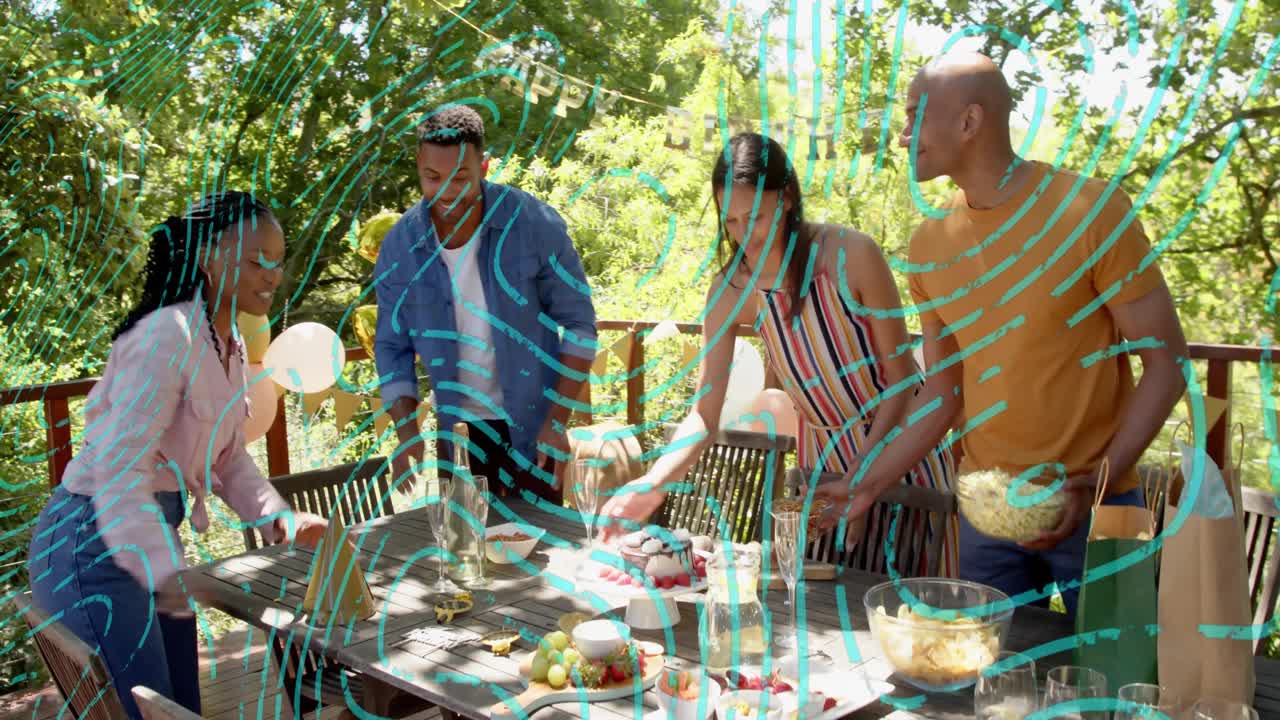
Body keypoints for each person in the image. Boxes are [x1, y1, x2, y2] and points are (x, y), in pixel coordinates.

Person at [815, 53, 1188, 616]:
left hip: (1099, 510)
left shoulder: (1090, 211)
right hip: (985, 517)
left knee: (1114, 688)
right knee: (985, 690)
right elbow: (941, 395)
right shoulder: (929, 247)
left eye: (916, 114)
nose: (902, 133)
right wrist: (869, 482)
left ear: (969, 122)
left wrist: (1097, 484)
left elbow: (1168, 365)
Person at [26, 192, 329, 719]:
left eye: (278, 262)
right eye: (257, 260)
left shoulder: (224, 338)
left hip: (149, 539)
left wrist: (279, 515)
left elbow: (227, 458)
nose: (273, 276)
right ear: (210, 256)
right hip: (96, 542)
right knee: (152, 712)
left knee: (179, 708)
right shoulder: (166, 336)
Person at [599, 132, 956, 576]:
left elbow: (902, 384)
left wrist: (862, 480)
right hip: (822, 471)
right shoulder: (730, 290)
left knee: (909, 610)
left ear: (786, 198)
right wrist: (654, 483)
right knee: (820, 604)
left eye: (756, 217)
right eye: (730, 221)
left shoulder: (853, 255)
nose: (745, 236)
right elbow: (705, 416)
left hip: (903, 457)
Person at [374, 104, 597, 504]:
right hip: (457, 437)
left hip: (536, 431)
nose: (445, 193)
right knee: (465, 555)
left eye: (460, 178)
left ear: (485, 167)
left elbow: (579, 326)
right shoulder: (399, 247)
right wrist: (407, 433)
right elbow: (393, 345)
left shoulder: (535, 223)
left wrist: (557, 420)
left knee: (537, 553)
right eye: (432, 177)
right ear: (418, 169)